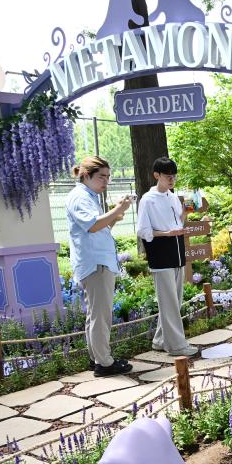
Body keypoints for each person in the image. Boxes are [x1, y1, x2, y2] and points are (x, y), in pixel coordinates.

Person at [65, 156, 133, 377]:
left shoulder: (88, 196)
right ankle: (104, 362)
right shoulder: (80, 197)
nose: (106, 181)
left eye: (108, 177)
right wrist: (118, 208)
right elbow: (93, 225)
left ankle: (96, 358)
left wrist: (114, 216)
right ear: (86, 175)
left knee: (95, 314)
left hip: (96, 262)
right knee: (101, 315)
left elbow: (100, 228)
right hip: (96, 264)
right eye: (102, 177)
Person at [136, 157, 199, 358]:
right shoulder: (148, 199)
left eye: (174, 176)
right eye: (168, 176)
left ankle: (160, 340)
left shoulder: (172, 197)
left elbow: (179, 223)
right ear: (157, 175)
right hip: (161, 254)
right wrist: (167, 234)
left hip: (177, 252)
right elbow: (143, 231)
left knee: (174, 301)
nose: (172, 180)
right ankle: (176, 346)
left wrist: (186, 212)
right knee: (169, 302)